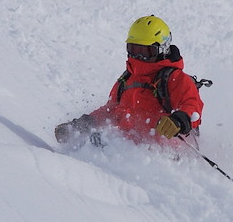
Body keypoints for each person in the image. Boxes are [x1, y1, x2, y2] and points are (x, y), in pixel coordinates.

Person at [55, 15, 204, 147]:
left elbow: (192, 105)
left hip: (165, 154)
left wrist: (179, 120)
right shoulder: (126, 80)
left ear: (162, 49)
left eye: (145, 51)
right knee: (90, 143)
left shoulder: (175, 79)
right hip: (129, 151)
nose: (138, 57)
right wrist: (81, 126)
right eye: (134, 49)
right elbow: (112, 111)